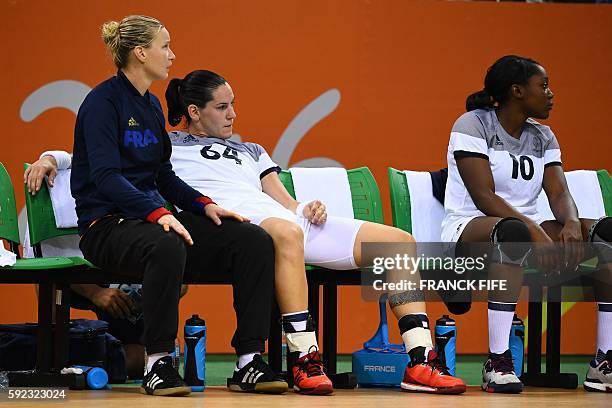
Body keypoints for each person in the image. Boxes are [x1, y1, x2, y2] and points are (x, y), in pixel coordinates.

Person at [27, 68, 467, 394]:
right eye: (222, 107)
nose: (233, 114)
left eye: (234, 104)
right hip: (236, 228)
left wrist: (304, 207)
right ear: (194, 113)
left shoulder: (251, 149)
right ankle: (304, 359)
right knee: (282, 232)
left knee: (397, 242)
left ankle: (419, 360)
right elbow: (85, 152)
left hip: (283, 224)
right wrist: (49, 158)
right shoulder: (170, 147)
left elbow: (281, 199)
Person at [65, 15, 285, 396]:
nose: (172, 55)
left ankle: (249, 360)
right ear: (139, 53)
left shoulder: (150, 106)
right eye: (164, 46)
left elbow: (163, 176)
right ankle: (159, 362)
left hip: (152, 223)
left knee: (252, 240)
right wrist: (159, 213)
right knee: (166, 243)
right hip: (107, 227)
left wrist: (204, 205)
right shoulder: (101, 103)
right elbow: (105, 177)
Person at [442, 55, 612, 393]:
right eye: (543, 86)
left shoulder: (544, 136)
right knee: (513, 235)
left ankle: (603, 362)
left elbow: (559, 191)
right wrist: (536, 233)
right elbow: (484, 196)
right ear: (517, 91)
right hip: (470, 228)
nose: (551, 94)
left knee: (606, 235)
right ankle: (498, 362)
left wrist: (571, 224)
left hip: (528, 230)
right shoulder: (472, 125)